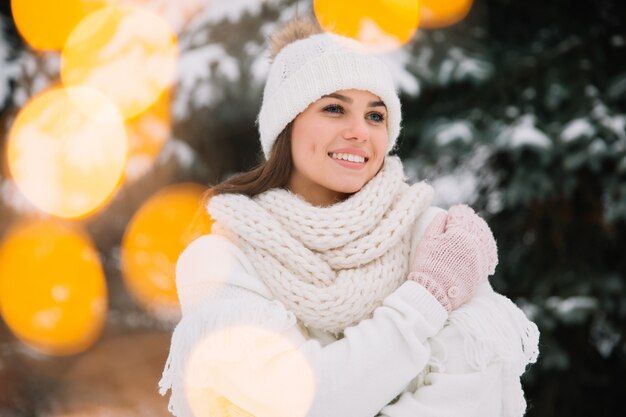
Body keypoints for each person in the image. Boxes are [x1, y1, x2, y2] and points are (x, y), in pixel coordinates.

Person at [159, 17, 539, 417]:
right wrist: (425, 298)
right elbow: (305, 400)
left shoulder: (436, 238)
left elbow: (472, 395)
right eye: (335, 108)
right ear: (286, 125)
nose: (360, 131)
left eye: (375, 116)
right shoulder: (220, 262)